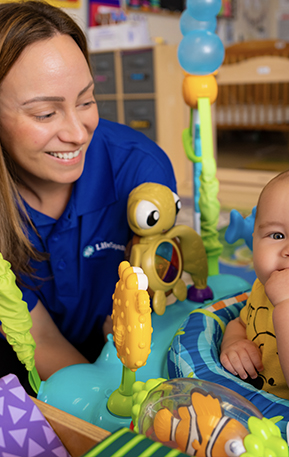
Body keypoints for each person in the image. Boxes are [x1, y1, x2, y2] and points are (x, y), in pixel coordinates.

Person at [0, 0, 176, 383]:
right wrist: (95, 406)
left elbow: (154, 299)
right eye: (46, 114)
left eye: (86, 101)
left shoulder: (140, 170)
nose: (79, 133)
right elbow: (39, 338)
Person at [220, 165, 289, 410]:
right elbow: (241, 322)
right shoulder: (265, 288)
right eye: (276, 235)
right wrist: (235, 343)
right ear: (254, 240)